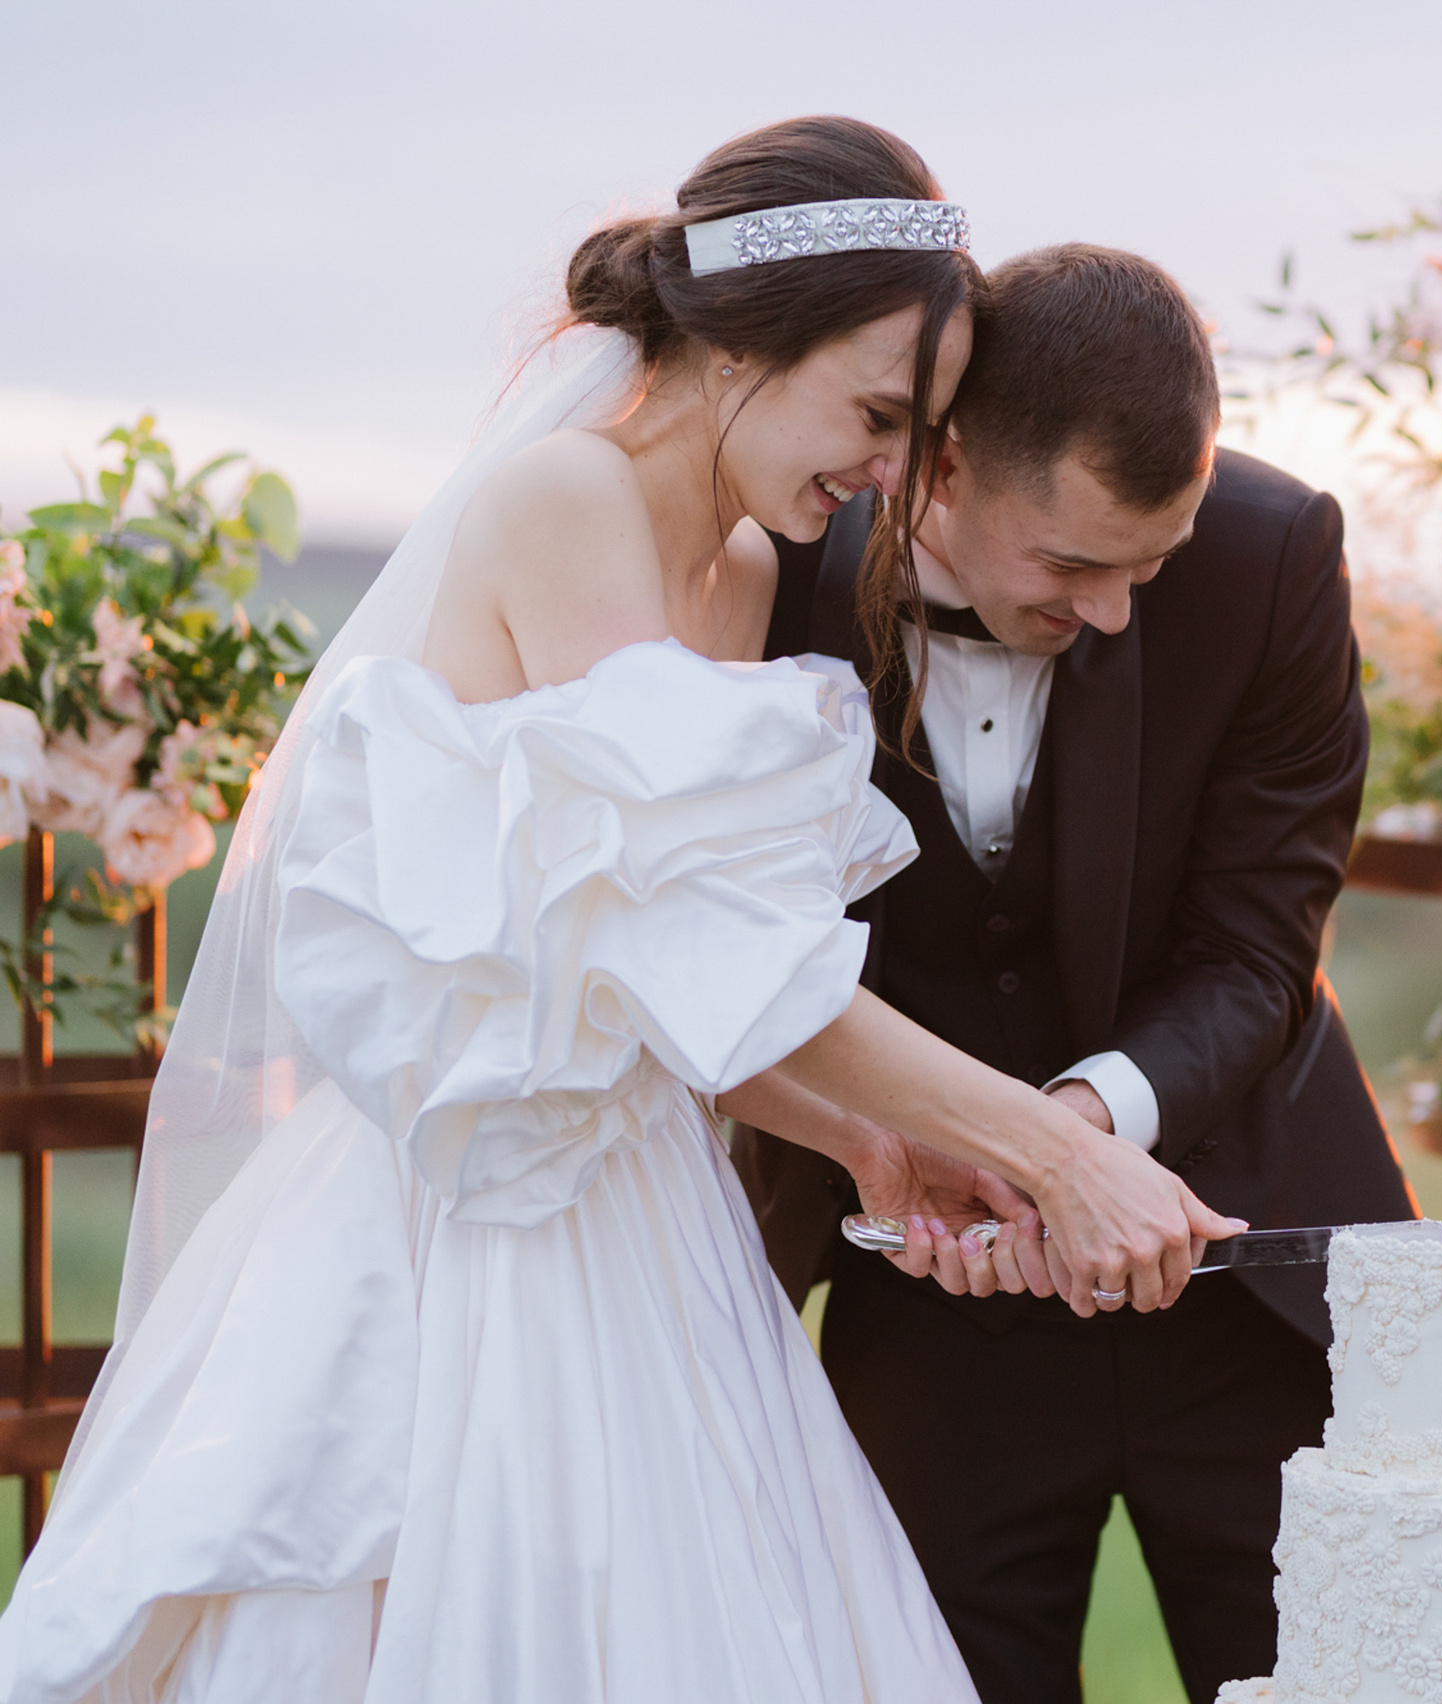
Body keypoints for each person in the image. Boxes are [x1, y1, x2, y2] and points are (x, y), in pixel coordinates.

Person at [0, 116, 1237, 1704]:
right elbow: (712, 949)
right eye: (874, 413)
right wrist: (1054, 1149)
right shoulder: (563, 504)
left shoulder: (729, 569)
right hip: (475, 1221)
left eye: (913, 431)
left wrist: (870, 1136)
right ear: (741, 343)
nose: (886, 472)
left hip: (648, 1209)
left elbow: (658, 988)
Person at [740, 243, 1417, 1704]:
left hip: (1240, 1272)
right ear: (939, 465)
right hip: (929, 1288)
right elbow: (733, 955)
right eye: (1073, 565)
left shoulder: (1272, 554)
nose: (1115, 611)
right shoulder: (762, 573)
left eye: (1148, 567)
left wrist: (1080, 1142)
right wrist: (964, 1160)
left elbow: (1257, 951)